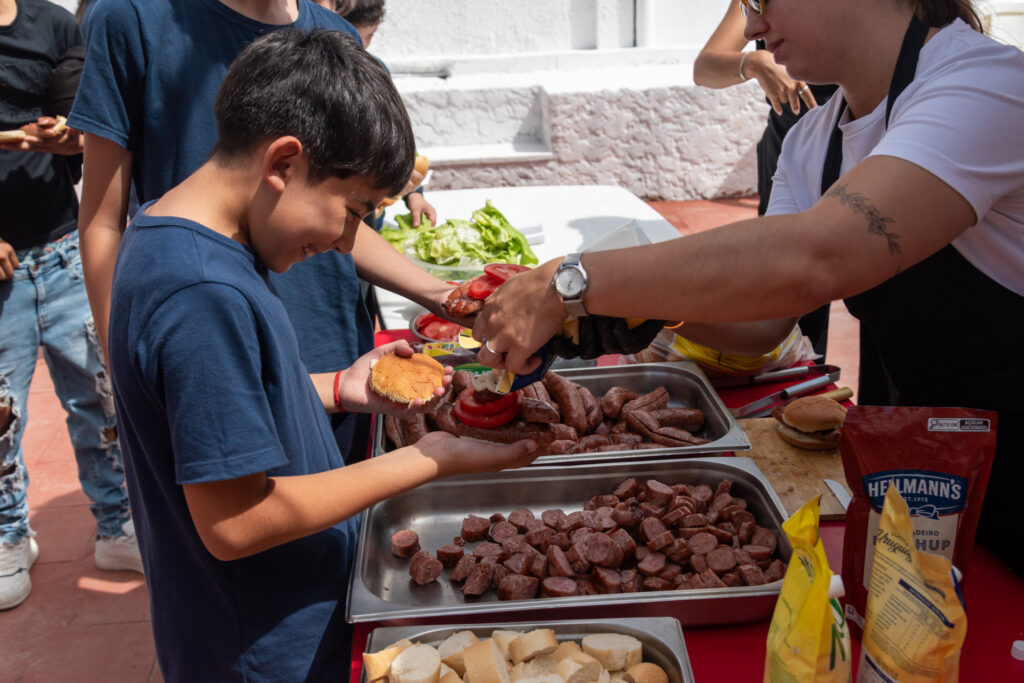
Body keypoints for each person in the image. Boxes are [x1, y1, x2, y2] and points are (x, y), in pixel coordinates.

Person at [471, 0, 1024, 574]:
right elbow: (761, 324)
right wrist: (644, 312)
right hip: (930, 480)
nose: (754, 27)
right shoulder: (813, 139)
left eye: (767, 0)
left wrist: (575, 282)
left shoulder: (984, 84)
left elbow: (815, 256)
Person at [107, 29, 539, 681]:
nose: (345, 241)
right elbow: (235, 520)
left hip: (269, 621)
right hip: (262, 647)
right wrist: (430, 457)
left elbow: (209, 407)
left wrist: (337, 386)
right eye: (351, 211)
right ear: (283, 162)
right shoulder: (202, 293)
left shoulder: (175, 234)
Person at [69, 0, 461, 465]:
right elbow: (102, 221)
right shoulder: (130, 19)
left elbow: (343, 221)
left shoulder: (334, 37)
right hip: (213, 354)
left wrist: (444, 295)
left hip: (334, 357)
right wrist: (131, 377)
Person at [0, 0, 141, 612]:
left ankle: (117, 526)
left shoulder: (55, 23)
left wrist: (67, 138)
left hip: (60, 249)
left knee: (98, 399)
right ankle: (7, 538)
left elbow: (86, 134)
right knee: (1, 414)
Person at [694, 0, 838, 359]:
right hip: (790, 144)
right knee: (789, 293)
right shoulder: (751, 9)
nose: (755, 29)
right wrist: (752, 63)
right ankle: (801, 379)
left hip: (856, 139)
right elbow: (705, 66)